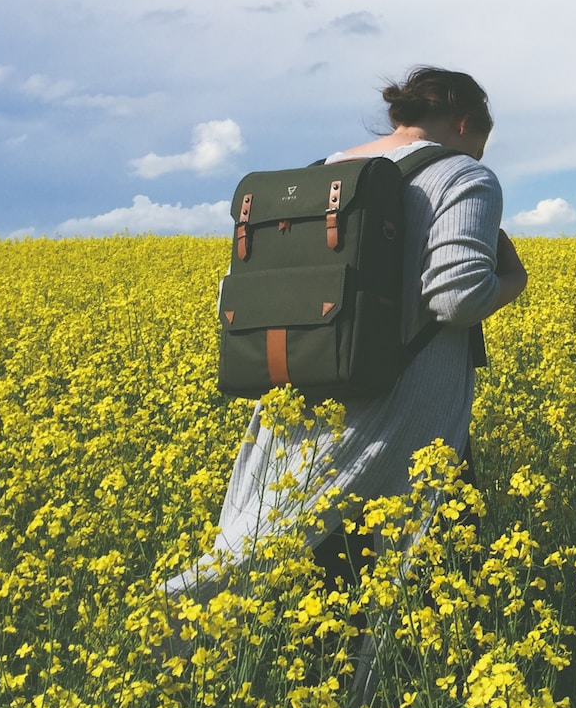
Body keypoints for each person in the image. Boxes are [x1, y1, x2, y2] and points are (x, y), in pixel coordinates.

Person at [162, 67, 528, 671]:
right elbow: (456, 297)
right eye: (478, 142)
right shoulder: (461, 174)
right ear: (465, 124)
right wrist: (512, 279)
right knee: (425, 582)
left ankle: (279, 697)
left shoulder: (317, 175)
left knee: (312, 570)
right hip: (406, 411)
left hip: (302, 394)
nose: (476, 154)